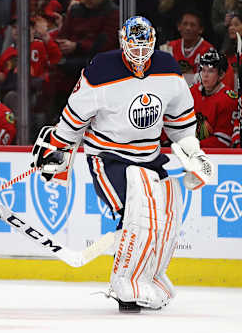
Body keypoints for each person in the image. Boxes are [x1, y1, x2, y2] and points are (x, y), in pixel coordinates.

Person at [31, 16, 214, 312]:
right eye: (134, 46)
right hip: (109, 157)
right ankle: (124, 283)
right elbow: (74, 118)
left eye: (145, 46)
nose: (140, 54)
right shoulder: (101, 69)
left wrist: (193, 154)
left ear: (154, 42)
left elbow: (181, 125)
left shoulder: (169, 69)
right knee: (137, 210)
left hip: (151, 157)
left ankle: (151, 276)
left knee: (168, 211)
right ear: (121, 41)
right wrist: (58, 148)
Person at [190, 49, 238, 148]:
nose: (205, 75)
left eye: (211, 71)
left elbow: (222, 141)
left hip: (214, 157)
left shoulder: (228, 100)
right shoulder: (192, 92)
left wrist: (193, 146)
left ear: (221, 75)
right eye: (203, 70)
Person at [159, 9, 214, 87]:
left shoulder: (209, 51)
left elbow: (209, 81)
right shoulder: (168, 48)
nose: (188, 28)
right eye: (185, 24)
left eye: (192, 25)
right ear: (179, 27)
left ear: (201, 29)